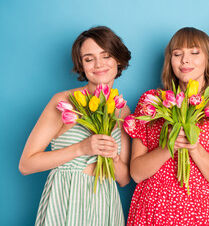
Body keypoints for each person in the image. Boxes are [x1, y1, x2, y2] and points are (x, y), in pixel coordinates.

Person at [125, 27, 209, 225]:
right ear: (170, 60)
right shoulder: (151, 102)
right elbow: (136, 173)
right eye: (177, 53)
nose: (185, 60)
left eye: (194, 52)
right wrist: (169, 146)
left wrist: (195, 148)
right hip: (150, 209)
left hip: (196, 212)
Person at [19, 26, 131, 225]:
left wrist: (112, 156)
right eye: (89, 59)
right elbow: (26, 165)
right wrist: (82, 148)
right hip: (65, 200)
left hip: (104, 204)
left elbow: (123, 179)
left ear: (118, 60)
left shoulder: (122, 110)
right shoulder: (63, 102)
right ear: (82, 65)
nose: (98, 64)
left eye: (106, 56)